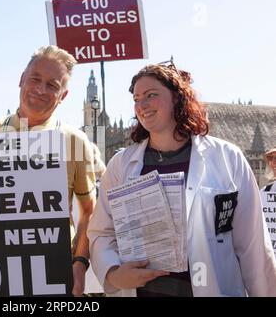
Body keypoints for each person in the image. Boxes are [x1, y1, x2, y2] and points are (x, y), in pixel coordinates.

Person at [87, 62, 276, 297]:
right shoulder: (121, 165)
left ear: (177, 98)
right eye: (136, 99)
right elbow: (101, 233)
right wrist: (114, 273)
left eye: (151, 95)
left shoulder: (227, 158)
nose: (142, 105)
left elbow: (253, 247)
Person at [0, 45, 98, 297]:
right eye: (35, 79)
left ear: (63, 95)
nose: (40, 89)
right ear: (22, 79)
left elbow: (89, 211)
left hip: (52, 275)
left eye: (52, 85)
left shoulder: (74, 141)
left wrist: (79, 264)